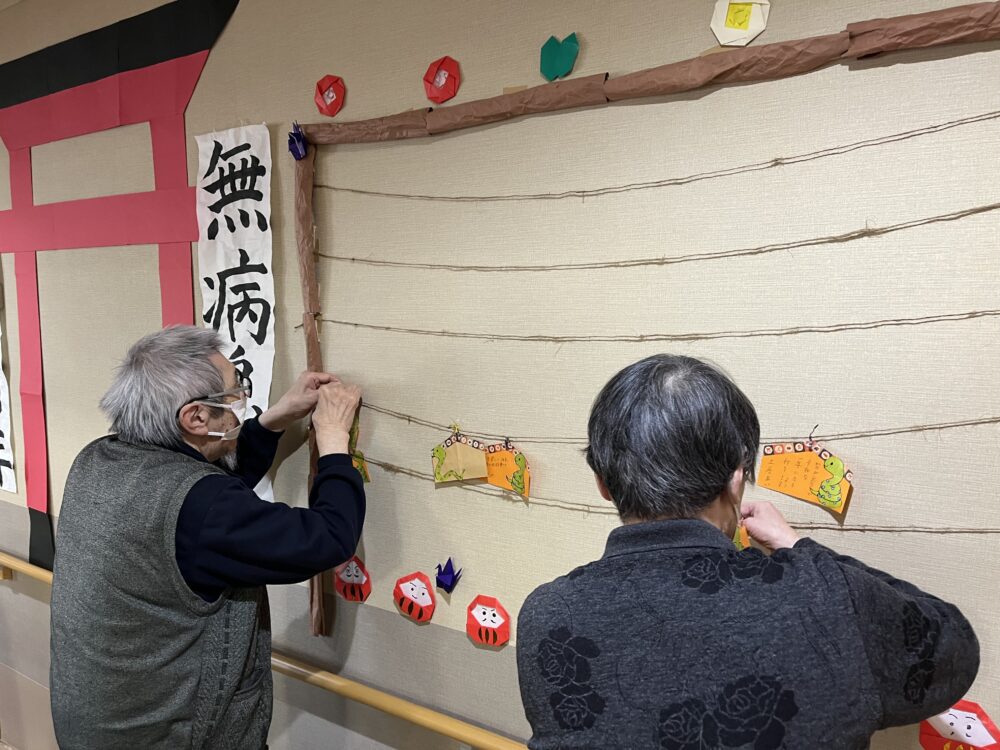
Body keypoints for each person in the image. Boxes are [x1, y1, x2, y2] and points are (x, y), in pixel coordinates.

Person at [516, 354, 979, 750]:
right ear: (737, 477)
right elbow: (952, 652)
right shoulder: (822, 599)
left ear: (602, 482)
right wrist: (800, 549)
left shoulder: (546, 614)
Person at [49, 326, 366, 750]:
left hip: (95, 725)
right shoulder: (201, 505)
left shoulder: (97, 460)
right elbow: (327, 538)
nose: (242, 405)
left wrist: (275, 418)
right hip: (172, 736)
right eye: (235, 396)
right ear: (196, 417)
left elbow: (205, 488)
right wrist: (332, 439)